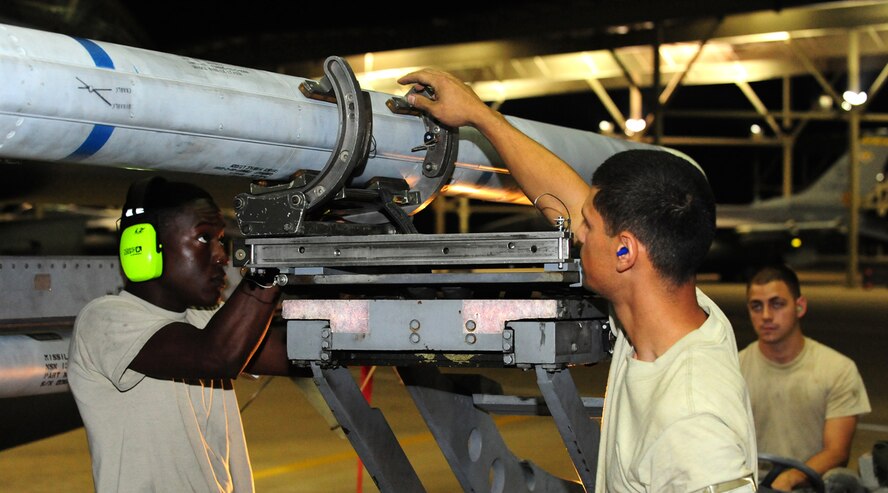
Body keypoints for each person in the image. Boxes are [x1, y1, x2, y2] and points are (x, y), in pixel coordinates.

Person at [398, 69, 758, 492]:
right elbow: (566, 199)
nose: (574, 231)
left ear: (626, 251)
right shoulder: (673, 308)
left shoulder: (692, 418)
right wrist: (479, 115)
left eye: (588, 225)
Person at [68, 176, 303, 492]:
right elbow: (216, 356)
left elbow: (298, 351)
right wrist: (270, 265)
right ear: (143, 248)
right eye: (205, 238)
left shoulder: (203, 319)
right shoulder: (103, 320)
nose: (221, 255)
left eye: (222, 240)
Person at [740, 264, 871, 492]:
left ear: (800, 307)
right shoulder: (734, 368)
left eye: (777, 304)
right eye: (756, 307)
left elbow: (837, 451)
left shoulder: (837, 369)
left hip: (807, 485)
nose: (766, 316)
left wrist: (789, 479)